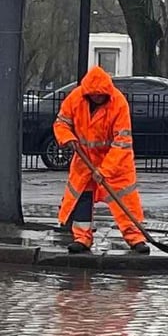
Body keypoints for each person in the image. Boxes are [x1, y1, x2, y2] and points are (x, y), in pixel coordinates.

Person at [53, 66, 149, 254]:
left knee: (125, 199)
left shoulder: (118, 103)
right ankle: (82, 238)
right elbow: (61, 123)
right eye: (94, 95)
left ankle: (135, 238)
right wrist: (67, 138)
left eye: (100, 95)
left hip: (115, 161)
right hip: (84, 159)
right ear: (87, 93)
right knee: (83, 197)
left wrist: (104, 170)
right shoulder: (75, 98)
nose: (97, 98)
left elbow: (122, 142)